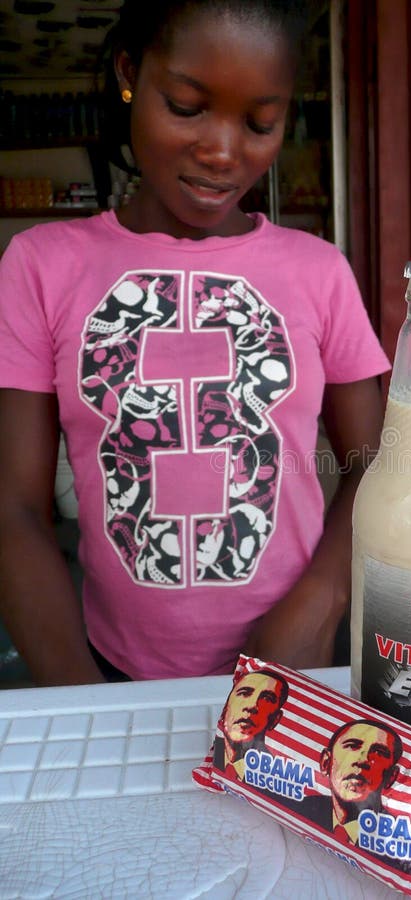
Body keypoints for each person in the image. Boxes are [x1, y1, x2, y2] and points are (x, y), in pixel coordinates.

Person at [0, 0, 390, 685]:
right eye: (185, 106)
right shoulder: (41, 264)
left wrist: (318, 602)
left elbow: (376, 464)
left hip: (292, 661)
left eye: (259, 123)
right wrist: (84, 700)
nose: (221, 150)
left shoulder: (317, 269)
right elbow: (15, 506)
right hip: (106, 663)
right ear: (129, 74)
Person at [303, 718, 402, 844]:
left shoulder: (398, 840)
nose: (362, 760)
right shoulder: (301, 806)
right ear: (326, 762)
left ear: (392, 776)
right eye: (352, 746)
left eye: (379, 753)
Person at [212, 668, 288, 780]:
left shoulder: (276, 777)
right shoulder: (215, 755)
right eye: (244, 693)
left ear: (275, 719)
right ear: (227, 704)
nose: (252, 706)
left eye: (266, 699)